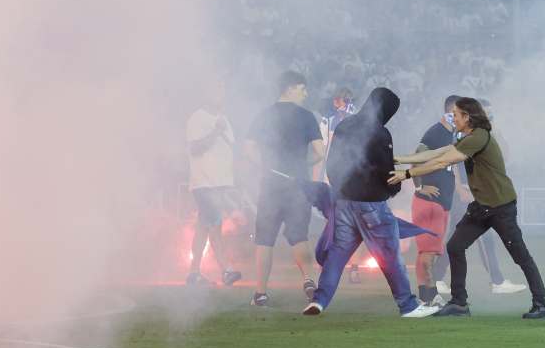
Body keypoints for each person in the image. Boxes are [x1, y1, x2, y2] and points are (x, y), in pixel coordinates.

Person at [391, 98, 545, 319]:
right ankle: (459, 303)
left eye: (456, 114)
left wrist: (407, 174)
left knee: (521, 256)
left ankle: (541, 304)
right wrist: (400, 158)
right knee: (455, 246)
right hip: (481, 207)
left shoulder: (479, 137)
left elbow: (441, 162)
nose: (453, 117)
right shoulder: (468, 137)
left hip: (501, 207)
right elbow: (437, 153)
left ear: (467, 117)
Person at [303, 88, 437, 318]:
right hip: (372, 205)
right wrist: (393, 189)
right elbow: (387, 172)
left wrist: (340, 189)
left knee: (337, 255)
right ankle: (408, 305)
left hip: (344, 201)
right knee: (390, 255)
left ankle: (319, 300)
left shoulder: (344, 126)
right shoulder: (381, 133)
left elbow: (332, 164)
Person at [243, 71, 325, 307]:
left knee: (265, 239)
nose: (306, 93)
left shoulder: (264, 115)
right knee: (299, 235)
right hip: (297, 185)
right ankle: (309, 280)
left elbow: (248, 149)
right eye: (302, 88)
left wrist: (264, 166)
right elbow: (319, 153)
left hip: (270, 185)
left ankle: (260, 294)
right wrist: (303, 165)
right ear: (289, 89)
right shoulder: (307, 117)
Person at [185, 79, 243, 287]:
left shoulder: (224, 119)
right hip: (205, 183)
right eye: (216, 89)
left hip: (220, 183)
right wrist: (216, 131)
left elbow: (228, 151)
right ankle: (226, 270)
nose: (221, 93)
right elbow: (195, 148)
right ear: (206, 93)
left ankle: (193, 274)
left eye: (223, 88)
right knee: (215, 224)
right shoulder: (197, 118)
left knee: (204, 227)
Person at [410, 96, 461, 306]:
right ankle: (428, 298)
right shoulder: (435, 134)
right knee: (428, 254)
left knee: (429, 252)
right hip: (430, 204)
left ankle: (427, 297)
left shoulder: (451, 135)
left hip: (442, 203)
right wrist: (421, 187)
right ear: (450, 112)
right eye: (460, 113)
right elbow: (416, 158)